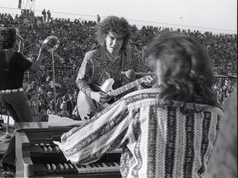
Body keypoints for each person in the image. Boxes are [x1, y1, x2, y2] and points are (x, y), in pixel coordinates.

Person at [56, 32, 224, 178]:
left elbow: (77, 149)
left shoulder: (137, 103)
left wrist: (65, 140)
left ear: (163, 66)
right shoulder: (216, 113)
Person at [75, 15, 148, 120]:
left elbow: (144, 80)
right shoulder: (92, 56)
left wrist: (148, 83)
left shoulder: (133, 56)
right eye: (112, 38)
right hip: (96, 110)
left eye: (119, 39)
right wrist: (93, 95)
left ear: (124, 40)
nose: (115, 43)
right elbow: (80, 80)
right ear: (104, 37)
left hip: (125, 113)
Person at [0, 27, 47, 173]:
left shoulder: (0, 55)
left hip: (4, 96)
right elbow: (35, 68)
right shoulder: (16, 56)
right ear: (13, 40)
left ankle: (9, 160)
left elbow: (17, 59)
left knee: (19, 127)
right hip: (16, 95)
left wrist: (21, 45)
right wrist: (41, 53)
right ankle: (13, 159)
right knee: (27, 126)